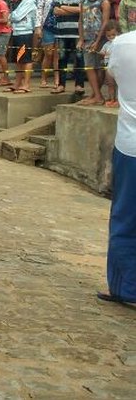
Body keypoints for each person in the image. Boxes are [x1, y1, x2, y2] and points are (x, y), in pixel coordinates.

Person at [100, 28, 136, 308]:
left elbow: (111, 74)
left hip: (130, 144)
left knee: (125, 217)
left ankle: (126, 287)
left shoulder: (123, 43)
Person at [52, 0, 87, 95]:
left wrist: (65, 7)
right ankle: (61, 84)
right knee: (62, 59)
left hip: (78, 33)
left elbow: (83, 10)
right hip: (62, 33)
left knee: (79, 59)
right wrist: (75, 10)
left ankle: (79, 85)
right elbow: (56, 11)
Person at [36, 0, 70, 89]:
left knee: (58, 54)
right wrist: (38, 27)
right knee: (48, 53)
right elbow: (39, 8)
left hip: (63, 26)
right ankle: (44, 78)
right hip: (48, 26)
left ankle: (57, 79)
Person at [78, 0, 109, 105]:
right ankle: (96, 94)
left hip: (100, 40)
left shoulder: (104, 2)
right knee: (90, 67)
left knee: (98, 68)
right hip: (87, 39)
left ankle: (97, 96)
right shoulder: (83, 0)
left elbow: (105, 22)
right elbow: (80, 20)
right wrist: (80, 39)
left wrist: (97, 42)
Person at [7, 0, 37, 94]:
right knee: (18, 59)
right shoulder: (23, 1)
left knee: (26, 59)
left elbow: (16, 16)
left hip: (25, 32)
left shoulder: (30, 1)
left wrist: (11, 16)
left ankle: (26, 84)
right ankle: (17, 83)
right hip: (17, 32)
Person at [101, 21, 120, 108]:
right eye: (109, 36)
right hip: (108, 68)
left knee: (120, 84)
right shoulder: (106, 45)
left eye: (113, 35)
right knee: (110, 84)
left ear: (118, 33)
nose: (111, 37)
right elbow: (102, 53)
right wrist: (102, 53)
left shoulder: (120, 44)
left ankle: (119, 100)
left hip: (118, 67)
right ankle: (112, 99)